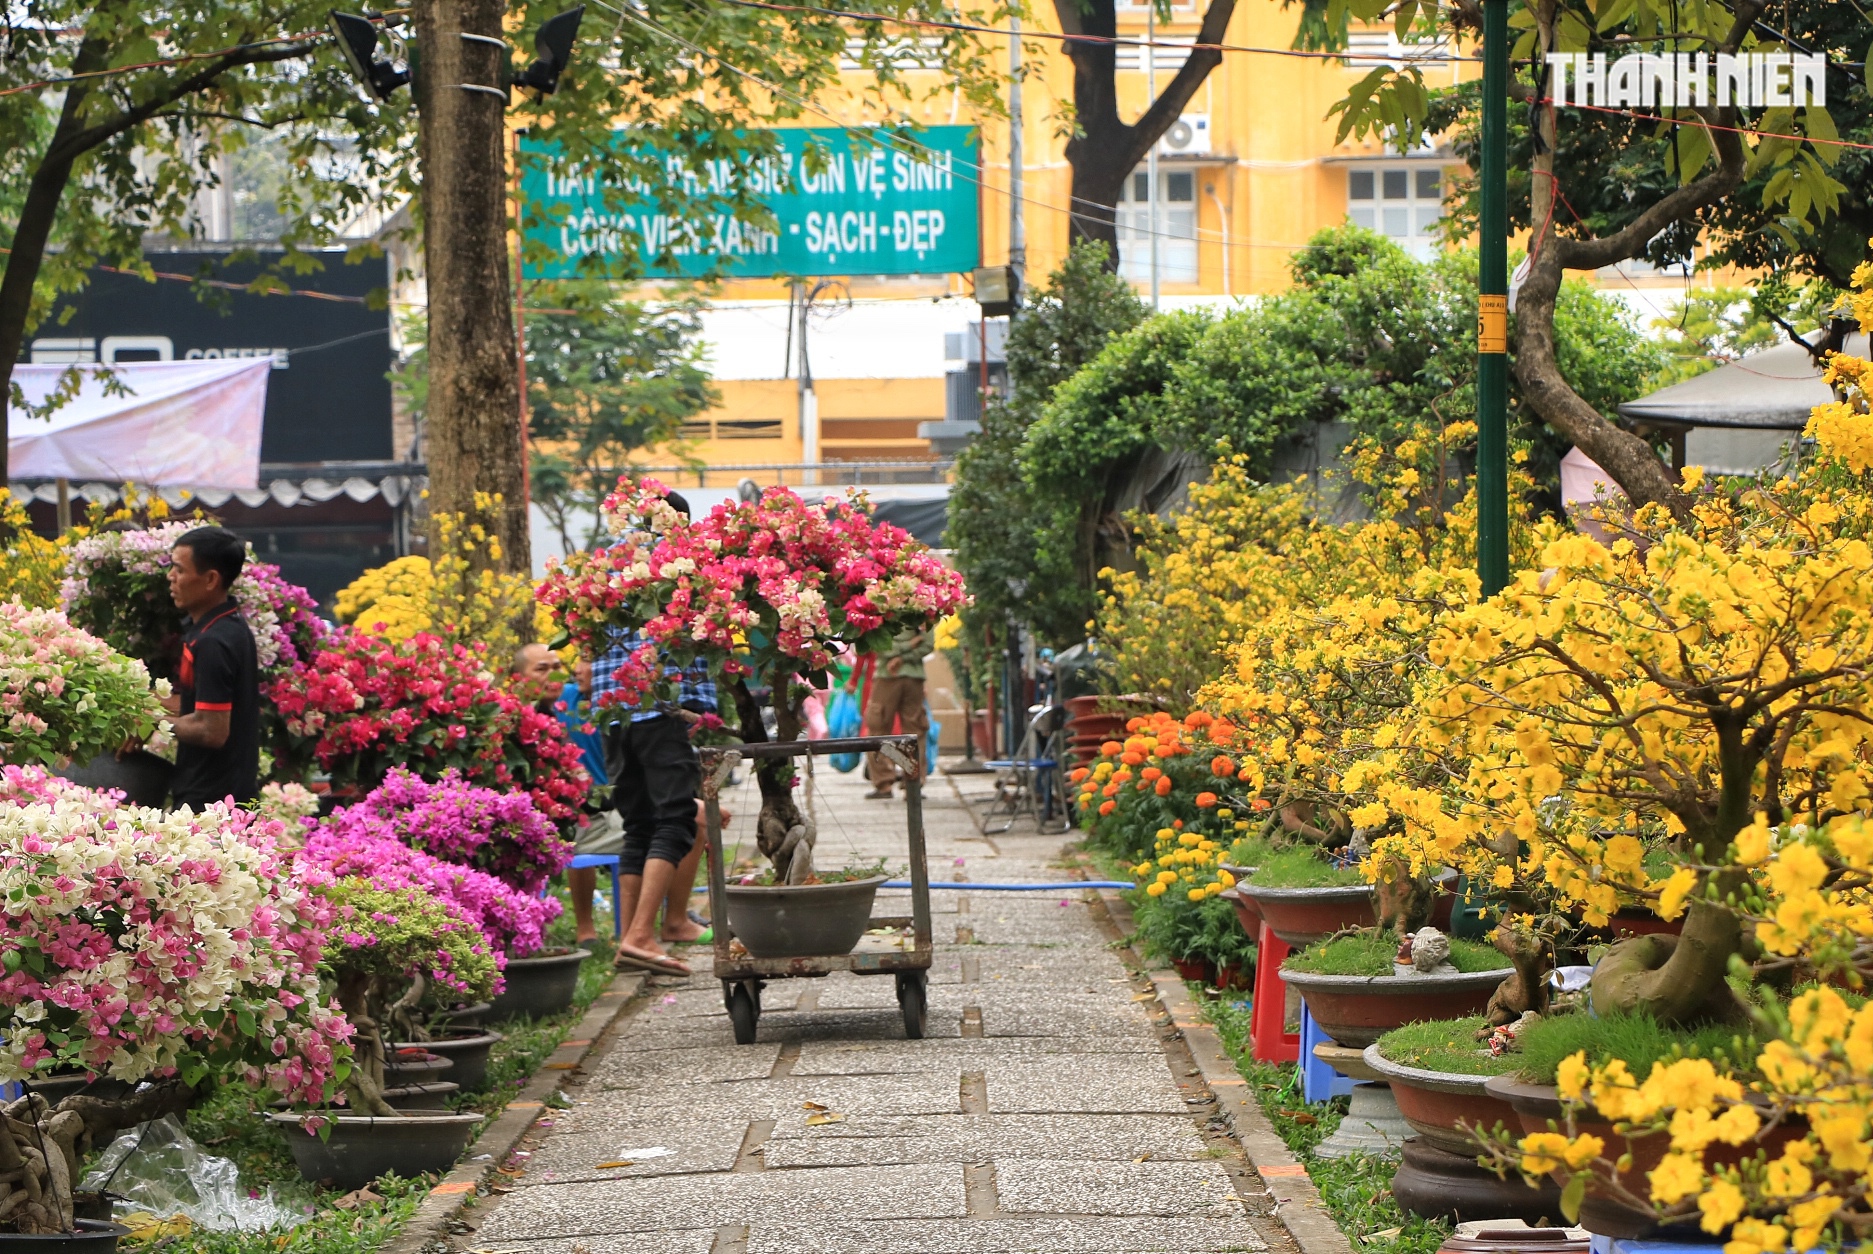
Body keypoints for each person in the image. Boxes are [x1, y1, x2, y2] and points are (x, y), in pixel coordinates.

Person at [592, 489, 717, 976]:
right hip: (661, 708)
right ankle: (644, 933)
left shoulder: (606, 566)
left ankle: (629, 940)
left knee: (640, 825)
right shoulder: (679, 565)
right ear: (677, 522)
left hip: (616, 714)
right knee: (676, 821)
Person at [162, 525, 260, 809]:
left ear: (210, 580)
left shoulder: (213, 642)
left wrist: (150, 725)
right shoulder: (228, 628)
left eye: (179, 569)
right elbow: (198, 703)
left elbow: (211, 730)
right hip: (224, 796)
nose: (171, 577)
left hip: (212, 805)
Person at [862, 625, 930, 799]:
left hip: (888, 675)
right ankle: (912, 783)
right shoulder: (923, 608)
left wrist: (899, 657)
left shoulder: (882, 607)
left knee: (879, 729)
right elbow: (927, 642)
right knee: (913, 732)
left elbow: (879, 645)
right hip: (911, 675)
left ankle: (885, 782)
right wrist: (909, 647)